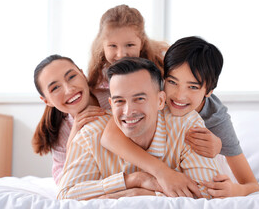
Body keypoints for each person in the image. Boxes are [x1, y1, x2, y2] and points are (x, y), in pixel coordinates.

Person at [101, 36, 259, 198]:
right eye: (172, 82)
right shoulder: (154, 96)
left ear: (208, 91)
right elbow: (109, 137)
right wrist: (163, 172)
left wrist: (236, 189)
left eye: (192, 87)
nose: (179, 96)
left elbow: (252, 184)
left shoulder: (216, 119)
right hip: (162, 176)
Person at [57, 57, 227, 200]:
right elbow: (66, 195)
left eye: (139, 99)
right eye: (119, 101)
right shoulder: (90, 135)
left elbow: (207, 193)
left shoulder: (186, 125)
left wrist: (142, 194)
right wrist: (133, 180)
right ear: (110, 103)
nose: (128, 111)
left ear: (161, 101)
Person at [32, 55, 108, 185]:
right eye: (55, 88)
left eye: (72, 77)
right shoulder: (63, 130)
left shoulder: (113, 95)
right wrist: (73, 140)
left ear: (83, 75)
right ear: (47, 101)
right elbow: (63, 180)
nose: (69, 89)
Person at [87, 4, 168, 107]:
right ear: (102, 46)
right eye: (112, 46)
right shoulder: (100, 76)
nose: (121, 54)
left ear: (142, 43)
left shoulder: (160, 63)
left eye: (130, 45)